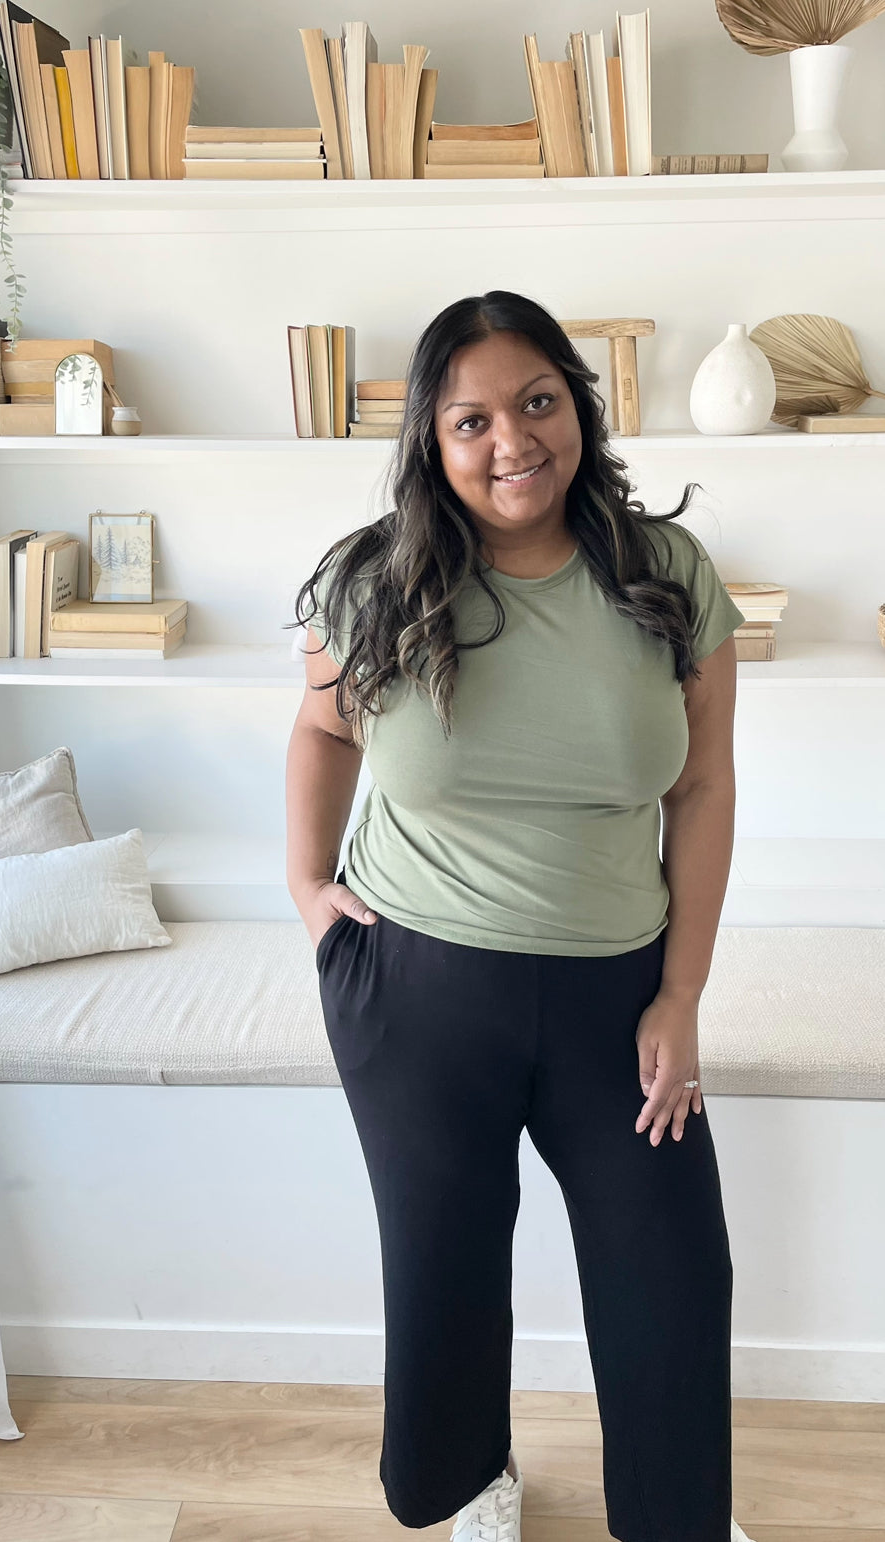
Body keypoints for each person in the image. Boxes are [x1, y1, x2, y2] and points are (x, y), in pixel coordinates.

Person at [285, 289, 753, 1542]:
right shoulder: (377, 581)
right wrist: (307, 889)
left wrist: (682, 993)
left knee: (670, 1272)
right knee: (441, 1265)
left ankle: (674, 1521)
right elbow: (321, 730)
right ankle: (463, 1486)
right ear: (432, 444)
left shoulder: (667, 573)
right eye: (471, 419)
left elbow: (702, 788)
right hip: (418, 984)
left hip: (617, 984)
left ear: (577, 409)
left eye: (536, 403)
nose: (512, 442)